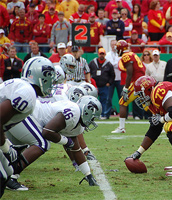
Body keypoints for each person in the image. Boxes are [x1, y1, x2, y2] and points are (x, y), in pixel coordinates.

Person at [5, 95, 101, 190]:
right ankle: (12, 177)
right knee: (42, 143)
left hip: (28, 118)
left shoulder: (77, 122)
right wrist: (66, 141)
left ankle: (5, 175)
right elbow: (47, 132)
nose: (92, 121)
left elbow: (76, 149)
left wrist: (88, 174)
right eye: (93, 118)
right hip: (28, 114)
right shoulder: (74, 112)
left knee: (13, 149)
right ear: (87, 111)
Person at [0, 56, 55, 196]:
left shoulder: (21, 86)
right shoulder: (28, 93)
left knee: (7, 173)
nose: (51, 84)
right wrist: (6, 148)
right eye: (49, 78)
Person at [125, 75, 172, 177]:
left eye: (141, 94)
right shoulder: (152, 101)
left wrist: (162, 119)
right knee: (168, 125)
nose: (140, 98)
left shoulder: (158, 90)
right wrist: (139, 152)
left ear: (149, 89)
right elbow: (155, 129)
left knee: (171, 127)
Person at [111, 40, 145, 133]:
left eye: (118, 49)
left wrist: (126, 88)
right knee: (148, 105)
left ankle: (121, 128)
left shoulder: (126, 56)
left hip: (137, 82)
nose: (117, 51)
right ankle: (162, 123)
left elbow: (129, 73)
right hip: (142, 80)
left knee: (122, 102)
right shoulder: (132, 54)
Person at [89, 48, 115, 118]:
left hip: (104, 85)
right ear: (98, 54)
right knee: (94, 101)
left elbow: (112, 75)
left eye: (103, 54)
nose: (101, 55)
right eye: (100, 54)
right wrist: (90, 82)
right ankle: (94, 115)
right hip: (94, 86)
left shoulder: (108, 64)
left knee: (105, 101)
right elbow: (88, 72)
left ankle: (104, 114)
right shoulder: (93, 62)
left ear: (105, 54)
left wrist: (109, 83)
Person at [104, 40, 122, 119]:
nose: (114, 46)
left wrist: (115, 64)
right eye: (112, 44)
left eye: (115, 44)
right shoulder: (107, 55)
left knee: (122, 97)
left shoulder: (121, 55)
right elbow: (110, 64)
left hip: (120, 78)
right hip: (111, 79)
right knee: (108, 98)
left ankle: (124, 114)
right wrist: (116, 64)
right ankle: (106, 114)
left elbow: (119, 64)